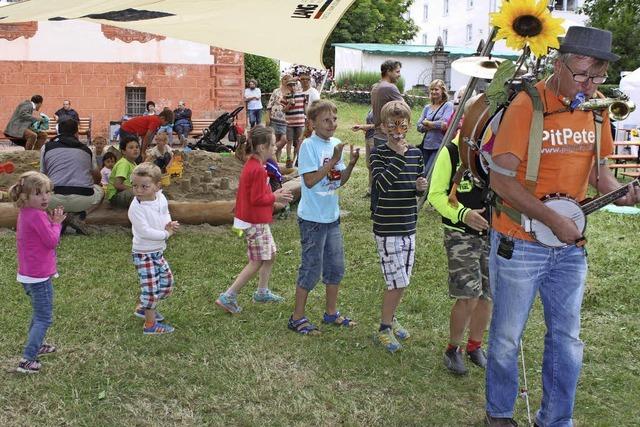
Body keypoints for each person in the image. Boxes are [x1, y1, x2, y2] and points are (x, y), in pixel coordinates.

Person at [485, 27, 640, 426]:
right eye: (582, 75)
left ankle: (555, 419)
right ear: (559, 65)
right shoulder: (527, 106)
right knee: (506, 339)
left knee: (567, 342)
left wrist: (620, 191)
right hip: (519, 242)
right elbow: (500, 180)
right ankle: (500, 413)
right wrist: (551, 217)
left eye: (597, 77)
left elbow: (599, 178)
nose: (589, 86)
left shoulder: (596, 110)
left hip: (570, 248)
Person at [287, 100, 360, 335]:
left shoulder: (336, 144)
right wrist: (332, 161)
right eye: (326, 120)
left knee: (335, 267)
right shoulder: (308, 146)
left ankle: (330, 313)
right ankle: (297, 317)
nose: (332, 124)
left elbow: (338, 181)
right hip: (312, 220)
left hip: (332, 217)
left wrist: (349, 165)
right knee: (311, 268)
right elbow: (309, 181)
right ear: (313, 123)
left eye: (335, 119)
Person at [427, 131, 492, 375]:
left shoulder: (493, 150)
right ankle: (453, 349)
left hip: (491, 233)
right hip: (460, 234)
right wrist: (464, 214)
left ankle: (475, 346)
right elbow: (436, 195)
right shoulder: (452, 152)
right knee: (469, 295)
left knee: (488, 294)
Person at [215, 126, 294, 313]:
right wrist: (276, 197)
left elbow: (258, 193)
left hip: (253, 220)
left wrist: (275, 195)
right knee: (257, 260)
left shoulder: (254, 164)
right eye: (273, 145)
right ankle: (229, 296)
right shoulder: (257, 169)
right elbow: (257, 199)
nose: (275, 148)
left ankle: (262, 292)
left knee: (271, 254)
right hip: (254, 222)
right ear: (261, 148)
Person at [370, 101, 427, 352]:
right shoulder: (378, 153)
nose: (397, 129)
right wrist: (398, 156)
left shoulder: (415, 153)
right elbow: (380, 186)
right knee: (396, 281)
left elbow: (416, 182)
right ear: (383, 127)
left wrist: (419, 186)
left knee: (403, 279)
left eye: (402, 124)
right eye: (392, 125)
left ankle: (391, 318)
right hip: (387, 226)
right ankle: (383, 328)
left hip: (408, 225)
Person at [9, 171, 66, 373]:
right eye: (38, 193)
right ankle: (27, 359)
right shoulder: (37, 216)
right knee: (44, 317)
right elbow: (52, 241)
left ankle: (37, 344)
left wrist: (51, 223)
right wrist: (57, 224)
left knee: (38, 313)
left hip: (28, 273)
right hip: (38, 276)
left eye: (47, 192)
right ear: (25, 196)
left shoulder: (27, 213)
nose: (45, 197)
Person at [128, 162, 180, 334]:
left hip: (158, 252)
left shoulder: (160, 197)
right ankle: (150, 325)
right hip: (144, 254)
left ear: (157, 186)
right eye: (135, 186)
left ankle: (144, 309)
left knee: (166, 284)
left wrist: (168, 223)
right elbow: (144, 232)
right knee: (151, 290)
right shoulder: (136, 208)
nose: (139, 190)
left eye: (144, 186)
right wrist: (166, 234)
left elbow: (165, 212)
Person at [40, 119, 104, 236]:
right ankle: (77, 216)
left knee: (43, 190)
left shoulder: (46, 147)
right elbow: (97, 177)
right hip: (83, 199)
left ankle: (60, 218)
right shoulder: (87, 150)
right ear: (77, 133)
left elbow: (42, 176)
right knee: (101, 190)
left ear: (58, 132)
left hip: (53, 200)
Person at [417, 79, 454, 175]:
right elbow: (418, 126)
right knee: (421, 173)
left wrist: (427, 123)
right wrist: (431, 125)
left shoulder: (448, 105)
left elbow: (444, 124)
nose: (433, 92)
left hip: (439, 145)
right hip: (426, 145)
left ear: (442, 91)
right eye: (432, 89)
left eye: (436, 89)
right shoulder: (427, 107)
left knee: (428, 173)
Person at [371, 60, 403, 149]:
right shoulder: (390, 87)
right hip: (390, 137)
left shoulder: (375, 87)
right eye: (397, 72)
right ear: (388, 71)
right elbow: (405, 110)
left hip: (377, 135)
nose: (399, 75)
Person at [106, 136, 140, 209]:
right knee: (139, 194)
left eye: (137, 147)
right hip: (116, 196)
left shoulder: (133, 163)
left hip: (125, 193)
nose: (135, 149)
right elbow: (117, 185)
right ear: (123, 151)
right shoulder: (123, 164)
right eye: (131, 147)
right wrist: (135, 189)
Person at [283, 76, 307, 168]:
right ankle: (288, 159)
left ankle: (297, 159)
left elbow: (305, 109)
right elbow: (283, 110)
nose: (292, 87)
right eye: (290, 86)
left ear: (296, 86)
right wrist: (289, 104)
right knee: (289, 140)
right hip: (289, 123)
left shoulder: (302, 96)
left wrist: (308, 117)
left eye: (294, 85)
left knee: (298, 142)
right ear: (287, 87)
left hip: (300, 122)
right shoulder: (285, 97)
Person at [351, 110, 375, 194]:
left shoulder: (381, 106)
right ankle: (370, 189)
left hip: (375, 139)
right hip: (368, 138)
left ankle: (375, 190)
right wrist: (363, 128)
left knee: (374, 165)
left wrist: (363, 126)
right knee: (369, 165)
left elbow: (380, 125)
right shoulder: (371, 108)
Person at [267, 75, 289, 163]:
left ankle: (268, 153)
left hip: (286, 121)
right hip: (274, 119)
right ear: (282, 80)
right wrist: (267, 116)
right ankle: (276, 162)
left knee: (284, 140)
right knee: (275, 139)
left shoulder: (292, 92)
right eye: (285, 79)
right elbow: (270, 104)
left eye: (288, 79)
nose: (286, 81)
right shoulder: (276, 91)